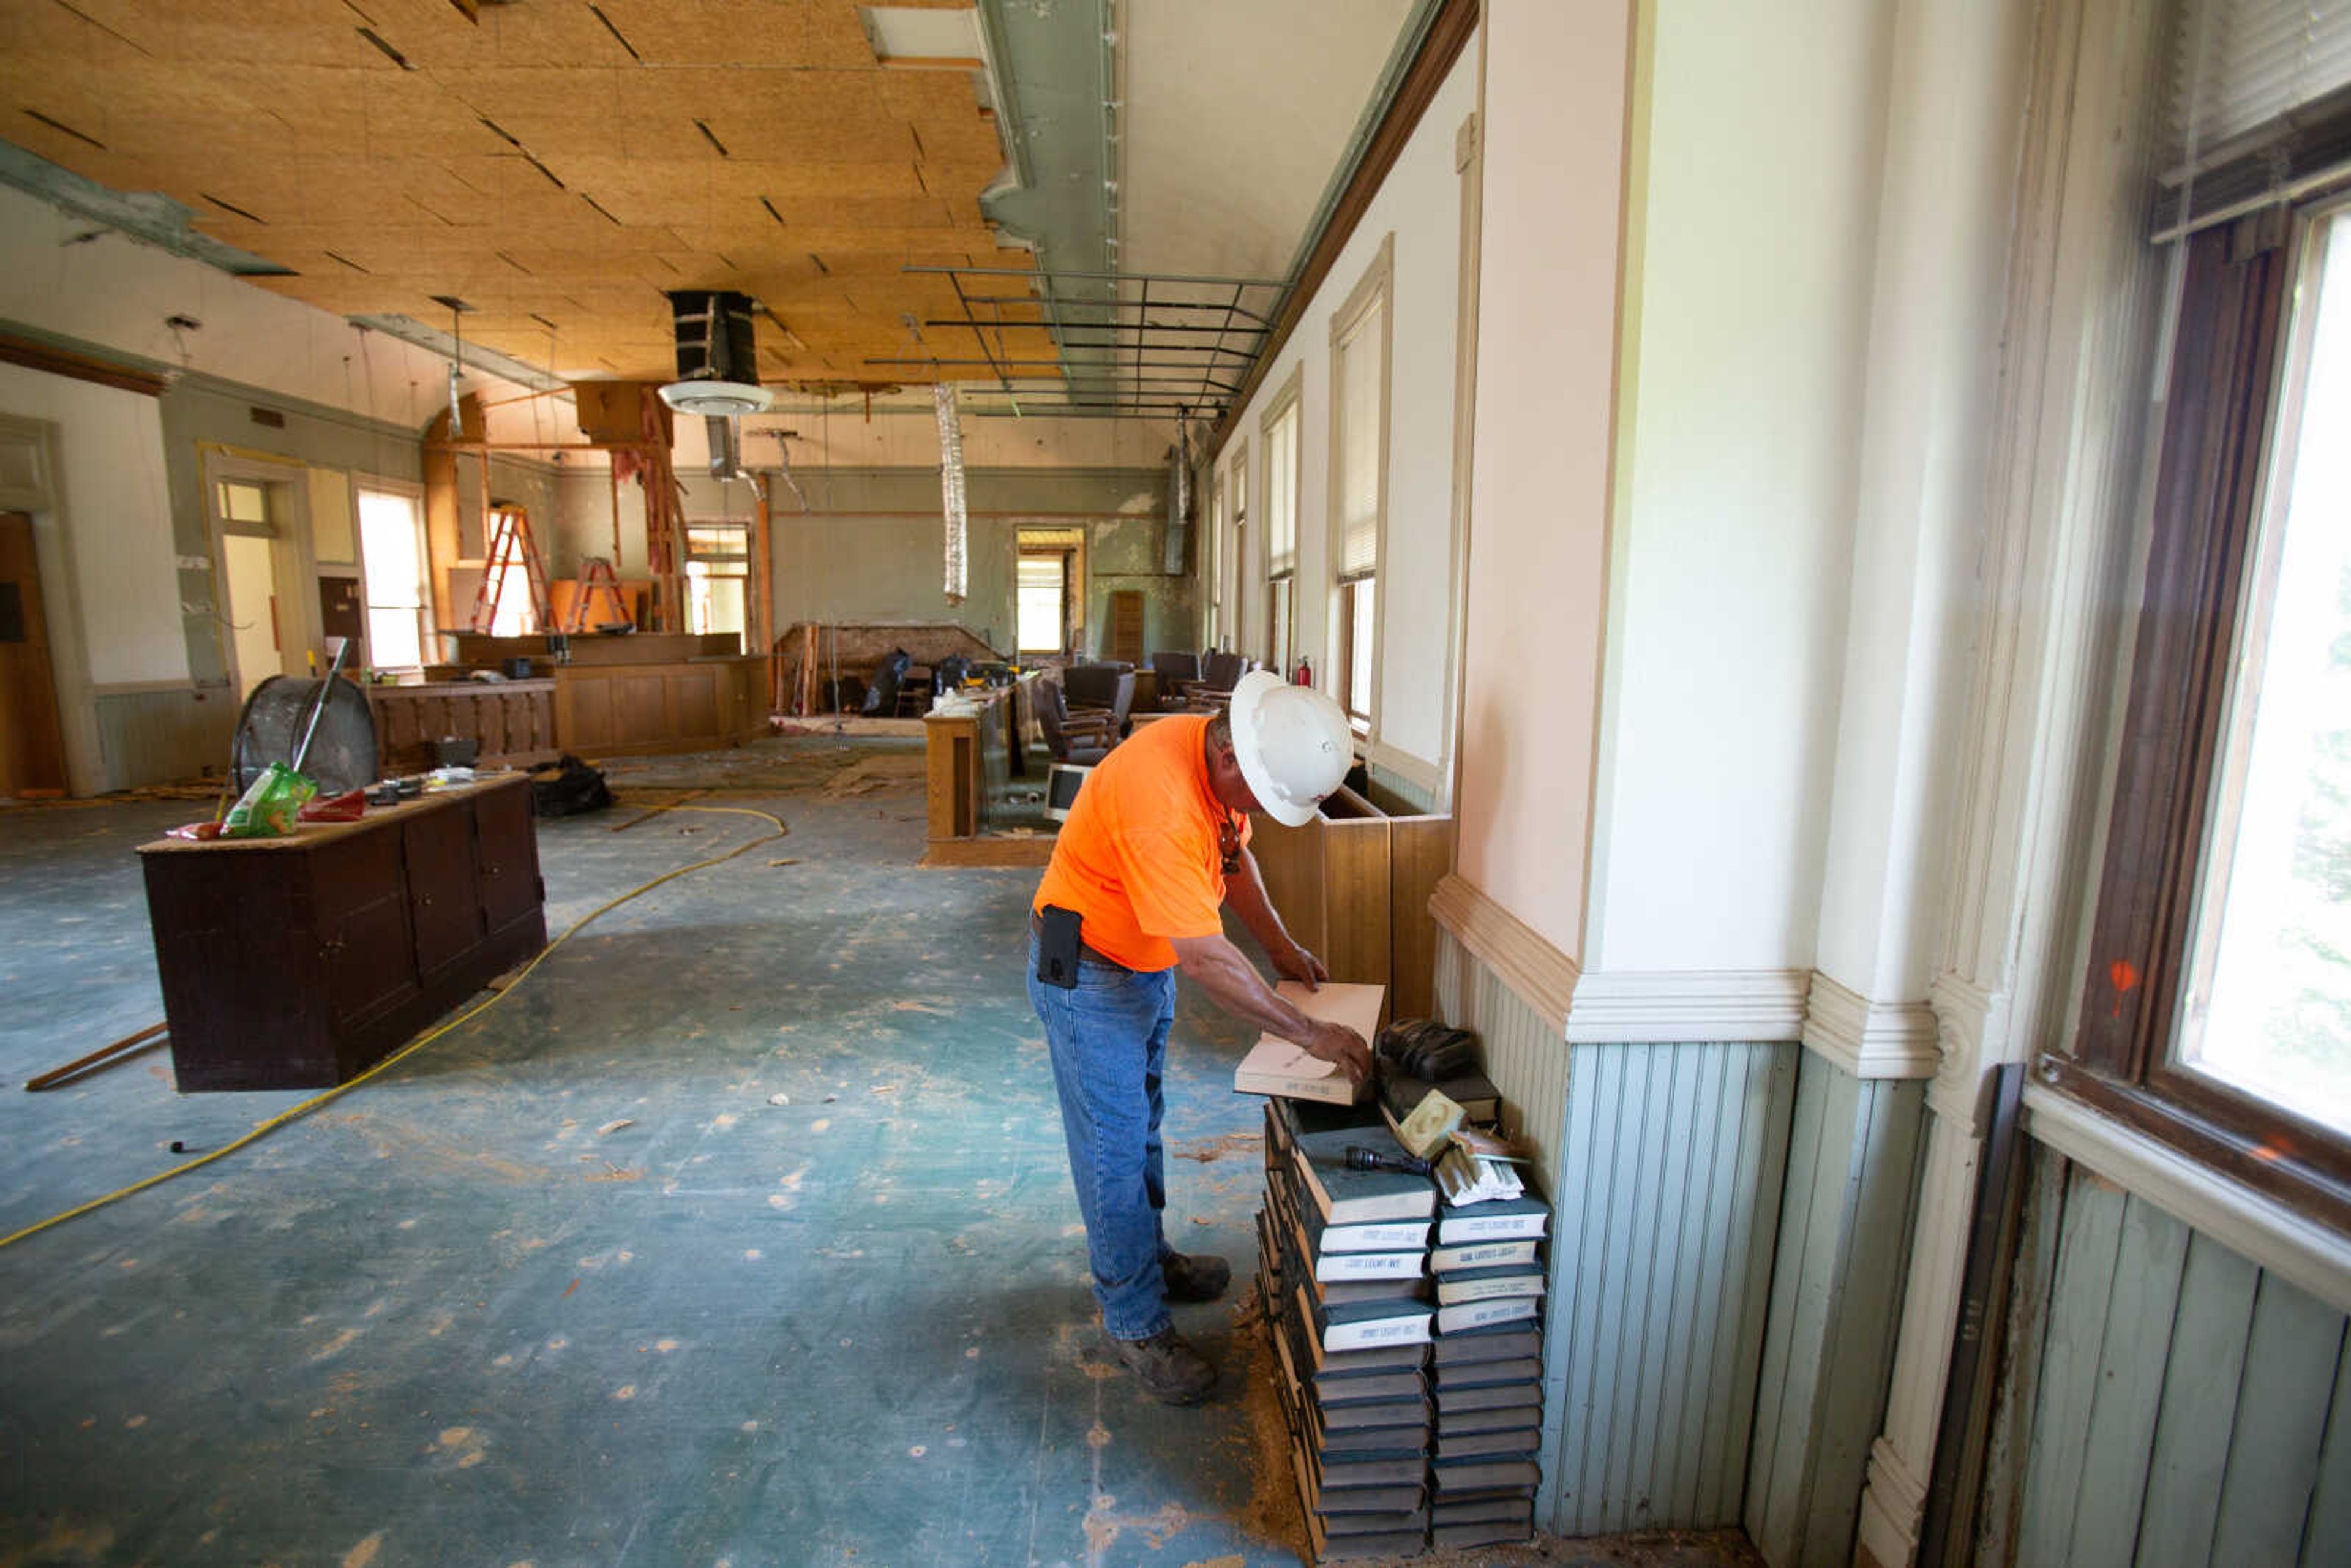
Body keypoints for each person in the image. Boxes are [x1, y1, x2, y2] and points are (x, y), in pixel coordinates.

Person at [1027, 670, 1374, 1404]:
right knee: (1111, 1146)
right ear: (1230, 762)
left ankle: (1148, 1258)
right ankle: (1132, 1319)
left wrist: (1279, 948)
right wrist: (1306, 1031)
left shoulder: (1217, 766)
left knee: (1141, 1126)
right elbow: (1209, 957)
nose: (1258, 812)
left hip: (1138, 960)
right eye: (1260, 798)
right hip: (1087, 972)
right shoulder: (1160, 797)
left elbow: (1232, 858)